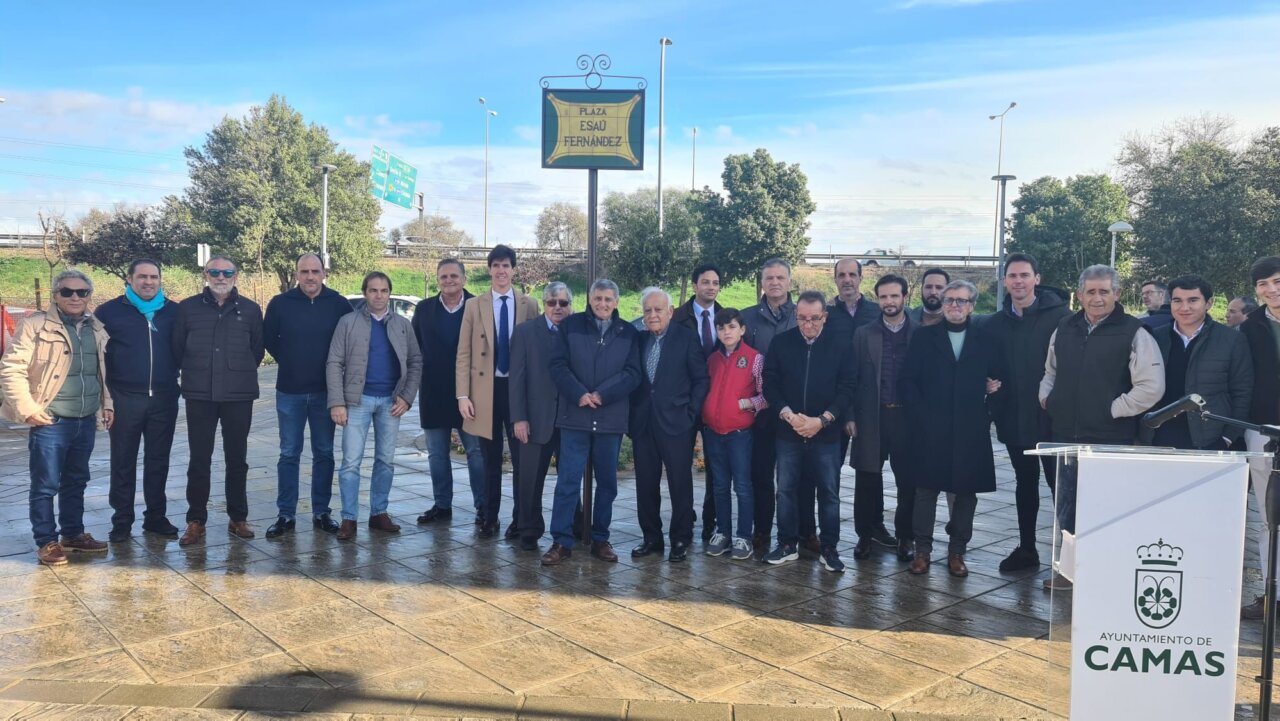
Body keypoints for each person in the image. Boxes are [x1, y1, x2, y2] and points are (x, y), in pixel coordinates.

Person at [1039, 264, 1165, 590]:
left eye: (1104, 292)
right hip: (1064, 435)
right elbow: (1051, 370)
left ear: (1117, 294)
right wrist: (1047, 398)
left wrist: (1113, 409)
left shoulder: (1134, 332)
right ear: (1080, 295)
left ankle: (1108, 573)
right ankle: (1069, 572)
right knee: (1067, 508)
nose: (1097, 298)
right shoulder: (1064, 327)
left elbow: (1151, 386)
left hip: (1110, 437)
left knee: (1108, 507)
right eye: (1090, 292)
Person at [1, 270, 112, 565]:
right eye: (67, 292)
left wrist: (107, 405)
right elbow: (11, 368)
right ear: (55, 295)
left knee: (77, 480)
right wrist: (27, 407)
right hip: (51, 420)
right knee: (46, 484)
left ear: (89, 296)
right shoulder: (34, 326)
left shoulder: (95, 326)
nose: (75, 297)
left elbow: (100, 371)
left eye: (82, 292)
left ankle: (73, 535)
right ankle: (46, 541)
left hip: (85, 419)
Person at [901, 280, 1006, 578]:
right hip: (930, 428)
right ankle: (922, 551)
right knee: (925, 490)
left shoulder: (987, 339)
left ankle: (957, 551)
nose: (954, 306)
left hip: (970, 428)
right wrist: (921, 416)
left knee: (965, 493)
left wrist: (988, 407)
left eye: (961, 301)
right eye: (949, 300)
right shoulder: (924, 337)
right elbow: (908, 381)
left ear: (972, 305)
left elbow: (1000, 380)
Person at [541, 279, 641, 566]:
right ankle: (561, 541)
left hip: (610, 419)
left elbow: (633, 373)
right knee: (568, 481)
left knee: (607, 483)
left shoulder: (628, 332)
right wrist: (580, 394)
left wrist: (602, 394)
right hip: (575, 416)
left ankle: (600, 538)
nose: (602, 304)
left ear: (616, 302)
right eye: (598, 298)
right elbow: (557, 365)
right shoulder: (570, 326)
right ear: (589, 299)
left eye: (608, 299)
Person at [984, 253, 1071, 572]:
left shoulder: (1062, 318)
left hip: (1052, 418)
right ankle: (1027, 548)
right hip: (1013, 416)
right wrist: (986, 383)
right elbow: (985, 362)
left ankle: (1071, 557)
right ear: (1004, 281)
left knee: (1061, 488)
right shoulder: (994, 324)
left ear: (1036, 279)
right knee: (1025, 483)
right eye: (1012, 276)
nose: (1018, 281)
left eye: (1024, 275)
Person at [173, 256, 264, 546]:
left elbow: (257, 351)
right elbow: (177, 349)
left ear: (236, 276)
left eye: (227, 272)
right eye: (214, 272)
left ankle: (238, 518)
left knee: (237, 459)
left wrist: (235, 371)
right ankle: (196, 521)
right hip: (199, 394)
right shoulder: (187, 309)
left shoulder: (250, 310)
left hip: (239, 394)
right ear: (205, 275)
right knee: (199, 459)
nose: (220, 277)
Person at [762, 290, 856, 573]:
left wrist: (822, 420)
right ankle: (787, 543)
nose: (808, 324)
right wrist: (788, 415)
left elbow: (847, 387)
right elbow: (770, 382)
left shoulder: (841, 345)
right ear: (796, 316)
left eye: (814, 318)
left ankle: (829, 548)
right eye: (802, 318)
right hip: (788, 430)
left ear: (824, 316)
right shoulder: (781, 343)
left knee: (828, 492)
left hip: (826, 433)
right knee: (786, 490)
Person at [262, 253, 353, 538]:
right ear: (296, 274)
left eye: (315, 271)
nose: (310, 276)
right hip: (289, 391)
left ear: (324, 273)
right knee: (289, 453)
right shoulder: (280, 303)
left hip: (326, 393)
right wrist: (291, 360)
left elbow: (349, 343)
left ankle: (321, 512)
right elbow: (269, 339)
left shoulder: (339, 304)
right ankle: (286, 514)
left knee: (324, 453)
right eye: (304, 271)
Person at [326, 272, 421, 541]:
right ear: (365, 293)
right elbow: (334, 362)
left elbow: (415, 361)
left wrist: (407, 397)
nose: (378, 295)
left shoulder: (402, 325)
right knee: (351, 462)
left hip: (391, 402)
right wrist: (337, 402)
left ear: (389, 293)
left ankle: (379, 512)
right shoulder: (348, 322)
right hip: (357, 401)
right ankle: (349, 518)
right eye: (373, 290)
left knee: (385, 461)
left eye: (383, 290)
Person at [456, 245, 540, 537]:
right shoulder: (474, 305)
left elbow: (535, 355)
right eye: (496, 265)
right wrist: (463, 395)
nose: (501, 271)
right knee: (490, 460)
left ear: (514, 270)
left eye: (506, 265)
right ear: (489, 269)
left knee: (521, 460)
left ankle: (520, 520)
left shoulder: (530, 305)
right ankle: (489, 517)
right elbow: (463, 353)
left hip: (518, 392)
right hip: (485, 392)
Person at [96, 259, 180, 542]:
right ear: (129, 279)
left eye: (154, 277)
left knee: (158, 460)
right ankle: (122, 520)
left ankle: (155, 517)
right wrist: (105, 398)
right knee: (123, 461)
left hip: (164, 398)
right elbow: (98, 358)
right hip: (124, 398)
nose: (148, 282)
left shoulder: (174, 312)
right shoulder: (108, 312)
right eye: (142, 277)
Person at [629, 288, 709, 563]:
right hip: (643, 423)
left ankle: (680, 538)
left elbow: (701, 379)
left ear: (670, 311)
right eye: (648, 310)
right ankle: (651, 538)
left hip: (677, 422)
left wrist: (690, 414)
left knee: (680, 483)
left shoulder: (686, 338)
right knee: (645, 483)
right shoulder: (638, 339)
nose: (653, 314)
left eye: (658, 309)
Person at [1138, 275, 1252, 452]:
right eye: (1177, 301)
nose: (1184, 307)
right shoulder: (1154, 338)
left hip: (1210, 439)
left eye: (1193, 300)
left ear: (1209, 303)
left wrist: (1228, 437)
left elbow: (1243, 392)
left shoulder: (1232, 340)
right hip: (1159, 437)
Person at [849, 275, 918, 562]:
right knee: (867, 479)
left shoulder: (920, 332)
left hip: (907, 418)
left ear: (905, 297)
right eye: (883, 297)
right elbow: (852, 378)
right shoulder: (864, 334)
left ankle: (906, 537)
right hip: (872, 416)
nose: (889, 301)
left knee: (909, 481)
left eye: (894, 296)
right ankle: (865, 535)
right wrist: (850, 416)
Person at [413, 259, 485, 525]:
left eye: (454, 275)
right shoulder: (423, 309)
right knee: (436, 454)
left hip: (471, 394)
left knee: (476, 452)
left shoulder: (479, 307)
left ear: (464, 279)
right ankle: (442, 505)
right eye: (443, 276)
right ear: (437, 280)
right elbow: (415, 349)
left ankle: (483, 507)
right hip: (433, 391)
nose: (449, 280)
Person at [827, 258, 887, 556]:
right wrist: (845, 412)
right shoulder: (826, 315)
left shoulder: (876, 312)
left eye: (852, 274)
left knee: (870, 470)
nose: (847, 279)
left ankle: (873, 527)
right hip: (835, 405)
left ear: (861, 278)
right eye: (842, 275)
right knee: (829, 472)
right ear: (835, 279)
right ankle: (828, 532)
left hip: (870, 406)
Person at [509, 282, 573, 551]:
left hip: (571, 419)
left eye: (563, 303)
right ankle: (528, 528)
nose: (557, 307)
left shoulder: (577, 330)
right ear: (543, 304)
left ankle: (575, 524)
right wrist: (519, 418)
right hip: (535, 419)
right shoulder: (525, 332)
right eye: (551, 302)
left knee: (571, 477)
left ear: (570, 305)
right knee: (530, 478)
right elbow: (516, 379)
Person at [741, 258, 797, 552]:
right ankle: (761, 529)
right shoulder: (747, 318)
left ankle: (800, 533)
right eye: (769, 278)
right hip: (760, 411)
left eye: (780, 277)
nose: (775, 282)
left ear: (789, 281)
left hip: (795, 409)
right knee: (761, 474)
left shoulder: (802, 315)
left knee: (794, 478)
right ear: (761, 283)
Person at [702, 308, 764, 561]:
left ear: (742, 330)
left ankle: (743, 536)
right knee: (719, 486)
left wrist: (746, 404)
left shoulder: (754, 358)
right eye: (721, 328)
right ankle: (723, 532)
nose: (726, 332)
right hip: (714, 433)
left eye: (731, 327)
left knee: (742, 486)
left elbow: (766, 394)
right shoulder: (713, 360)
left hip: (739, 434)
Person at [1239, 257, 1280, 619]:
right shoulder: (1249, 328)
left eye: (1277, 281)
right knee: (1269, 516)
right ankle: (1273, 594)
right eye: (1264, 284)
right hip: (1263, 430)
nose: (1272, 290)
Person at [670, 263, 723, 542]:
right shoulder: (677, 318)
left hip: (716, 402)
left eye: (715, 283)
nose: (710, 287)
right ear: (694, 285)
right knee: (681, 464)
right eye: (705, 282)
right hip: (685, 403)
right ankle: (684, 516)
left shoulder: (727, 317)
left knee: (715, 465)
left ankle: (710, 520)